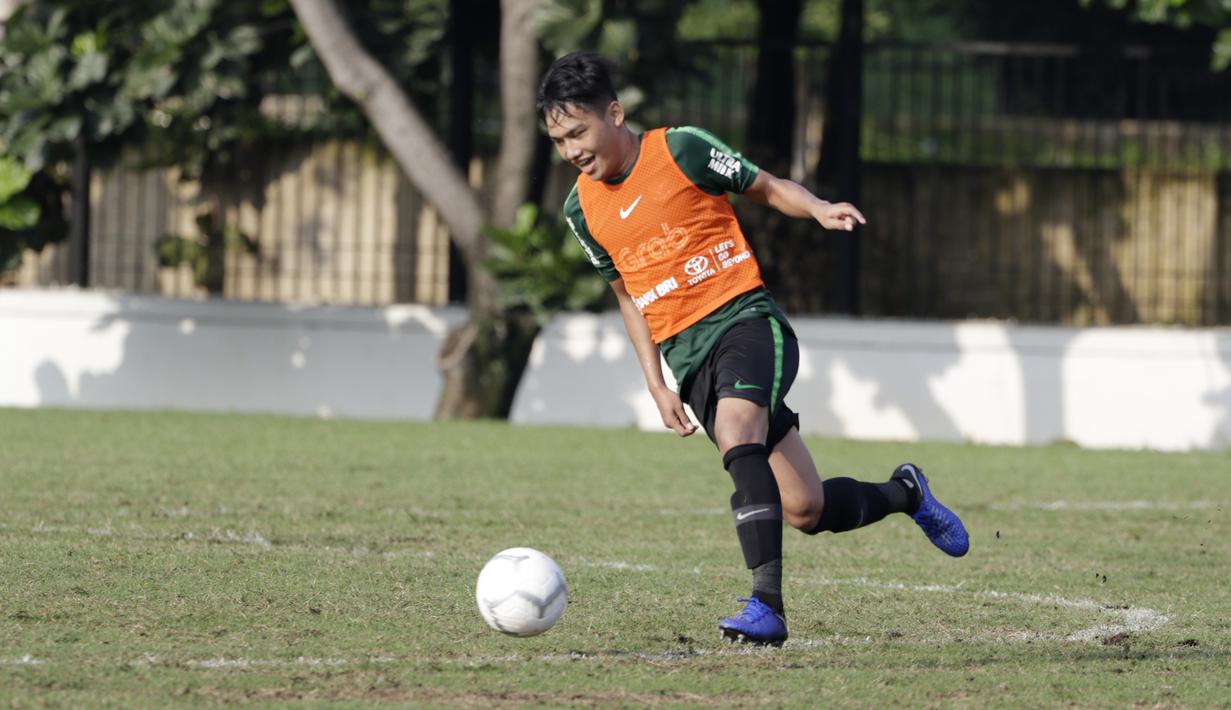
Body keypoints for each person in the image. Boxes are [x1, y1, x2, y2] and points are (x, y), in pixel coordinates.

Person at [537, 52, 969, 647]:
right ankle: (907, 493)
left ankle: (767, 605)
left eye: (578, 131)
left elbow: (764, 187)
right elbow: (628, 297)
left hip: (746, 322)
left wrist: (815, 206)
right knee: (805, 509)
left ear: (614, 113)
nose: (571, 149)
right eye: (559, 140)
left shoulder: (680, 149)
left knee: (740, 430)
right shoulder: (580, 211)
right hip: (689, 363)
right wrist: (656, 382)